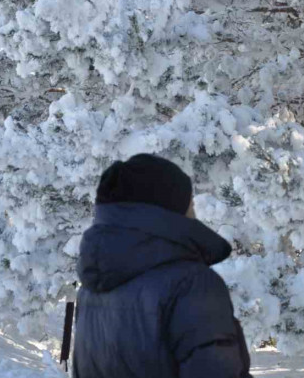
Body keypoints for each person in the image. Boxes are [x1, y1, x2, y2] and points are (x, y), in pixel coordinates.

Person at [73, 153, 252, 377]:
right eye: (190, 204)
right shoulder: (191, 285)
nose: (194, 213)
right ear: (167, 212)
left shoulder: (91, 290)